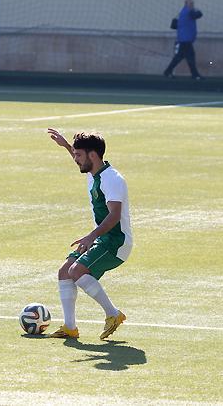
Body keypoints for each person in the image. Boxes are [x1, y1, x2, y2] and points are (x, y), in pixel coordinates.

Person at [47, 129, 133, 339]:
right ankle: (70, 328)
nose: (75, 159)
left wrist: (91, 236)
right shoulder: (94, 172)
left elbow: (114, 215)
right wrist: (66, 146)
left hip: (117, 242)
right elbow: (81, 159)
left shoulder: (112, 179)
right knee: (64, 271)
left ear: (92, 155)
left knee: (76, 271)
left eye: (78, 155)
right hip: (103, 239)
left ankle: (113, 314)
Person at [164, 0, 203, 80]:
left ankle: (168, 71)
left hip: (183, 39)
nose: (192, 5)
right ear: (186, 4)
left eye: (193, 3)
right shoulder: (189, 11)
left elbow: (175, 25)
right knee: (190, 56)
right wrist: (197, 10)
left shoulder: (182, 12)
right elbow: (199, 15)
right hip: (186, 39)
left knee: (179, 57)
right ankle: (195, 74)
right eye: (191, 3)